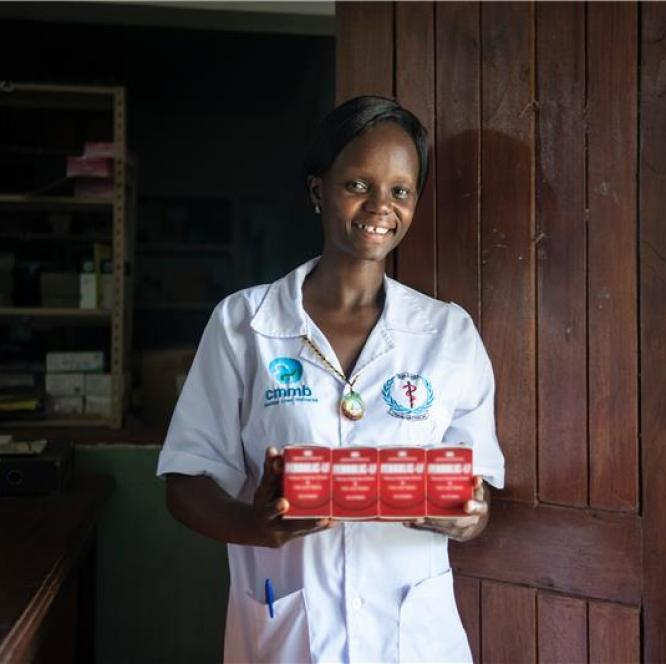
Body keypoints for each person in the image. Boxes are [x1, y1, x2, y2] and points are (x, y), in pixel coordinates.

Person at [157, 96, 505, 663]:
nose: (380, 207)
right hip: (291, 632)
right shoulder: (244, 323)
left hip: (414, 638)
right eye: (358, 185)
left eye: (400, 190)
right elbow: (184, 481)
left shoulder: (448, 334)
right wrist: (254, 524)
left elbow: (477, 491)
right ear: (318, 189)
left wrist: (466, 518)